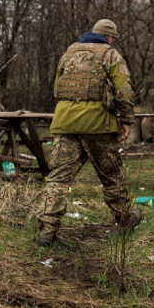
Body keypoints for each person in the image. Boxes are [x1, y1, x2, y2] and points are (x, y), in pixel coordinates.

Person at [37, 19, 140, 245]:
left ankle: (47, 229)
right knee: (111, 176)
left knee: (58, 179)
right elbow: (124, 91)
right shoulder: (111, 55)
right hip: (98, 125)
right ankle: (125, 219)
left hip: (65, 123)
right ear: (110, 38)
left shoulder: (69, 53)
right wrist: (127, 120)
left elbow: (57, 89)